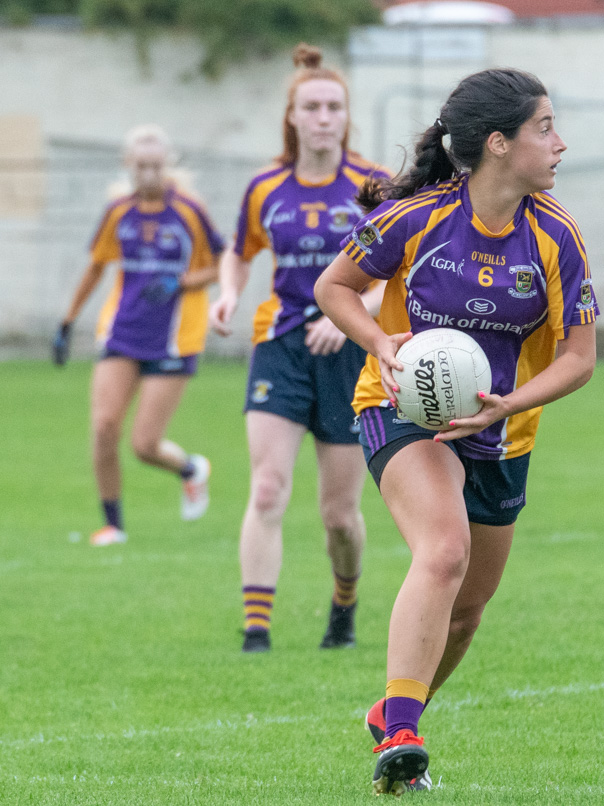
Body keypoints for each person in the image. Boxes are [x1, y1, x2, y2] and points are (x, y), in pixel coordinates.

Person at [314, 67, 598, 794]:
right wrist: (382, 347)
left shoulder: (556, 236)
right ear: (498, 145)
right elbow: (334, 287)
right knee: (442, 552)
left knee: (469, 607)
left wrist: (509, 403)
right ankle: (406, 733)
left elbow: (578, 358)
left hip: (502, 430)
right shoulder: (418, 219)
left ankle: (392, 712)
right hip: (399, 408)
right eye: (544, 129)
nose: (560, 144)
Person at [208, 44, 387, 654]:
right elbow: (240, 248)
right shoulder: (266, 187)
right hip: (280, 344)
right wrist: (228, 293)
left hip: (347, 356)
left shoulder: (371, 184)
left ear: (345, 116)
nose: (323, 117)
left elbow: (397, 265)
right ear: (292, 116)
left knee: (339, 514)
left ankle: (344, 604)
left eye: (333, 107)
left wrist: (354, 312)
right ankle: (256, 631)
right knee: (266, 489)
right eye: (311, 107)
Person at [55, 124, 224, 547]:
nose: (148, 174)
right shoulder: (118, 212)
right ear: (127, 165)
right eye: (140, 166)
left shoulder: (188, 210)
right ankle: (113, 524)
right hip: (122, 333)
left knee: (144, 445)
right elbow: (96, 267)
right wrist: (67, 321)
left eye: (156, 166)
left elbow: (222, 264)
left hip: (174, 338)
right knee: (103, 427)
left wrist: (181, 283)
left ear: (167, 165)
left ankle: (190, 470)